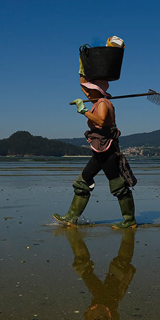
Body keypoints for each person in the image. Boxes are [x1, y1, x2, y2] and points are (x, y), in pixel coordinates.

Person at [53, 76, 137, 229]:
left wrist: (83, 111)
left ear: (97, 91)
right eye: (87, 91)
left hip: (107, 150)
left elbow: (101, 121)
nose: (87, 93)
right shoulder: (98, 102)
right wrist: (81, 70)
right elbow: (82, 86)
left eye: (90, 91)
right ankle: (72, 217)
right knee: (82, 181)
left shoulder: (103, 103)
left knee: (118, 185)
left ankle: (129, 220)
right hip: (100, 150)